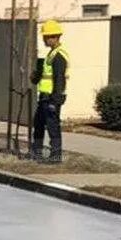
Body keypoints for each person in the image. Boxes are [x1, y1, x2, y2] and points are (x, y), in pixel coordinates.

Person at [30, 19, 69, 163]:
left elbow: (59, 79)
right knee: (38, 123)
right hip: (44, 97)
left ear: (55, 37)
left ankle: (55, 156)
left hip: (51, 98)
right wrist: (36, 76)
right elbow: (46, 76)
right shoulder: (51, 54)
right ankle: (37, 151)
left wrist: (55, 100)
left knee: (52, 126)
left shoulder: (59, 56)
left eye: (46, 37)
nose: (44, 39)